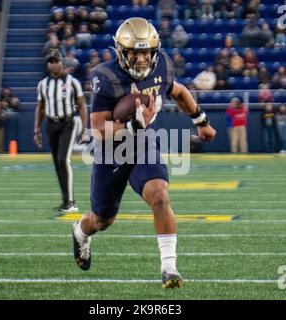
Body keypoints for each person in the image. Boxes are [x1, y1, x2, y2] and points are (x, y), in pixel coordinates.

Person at [72, 17, 216, 288]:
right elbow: (99, 129)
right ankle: (80, 232)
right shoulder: (106, 76)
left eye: (146, 51)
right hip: (111, 151)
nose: (141, 59)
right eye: (134, 52)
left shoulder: (162, 64)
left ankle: (169, 267)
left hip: (142, 144)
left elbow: (178, 91)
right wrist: (133, 124)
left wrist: (201, 121)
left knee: (160, 195)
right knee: (102, 220)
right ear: (121, 51)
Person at [34, 50, 88, 212]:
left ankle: (71, 202)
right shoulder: (43, 84)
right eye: (51, 61)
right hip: (51, 124)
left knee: (63, 159)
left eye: (56, 61)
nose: (53, 64)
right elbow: (41, 107)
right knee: (58, 162)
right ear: (48, 64)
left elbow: (82, 105)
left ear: (62, 62)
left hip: (67, 123)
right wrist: (36, 129)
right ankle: (66, 200)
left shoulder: (72, 82)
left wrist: (85, 129)